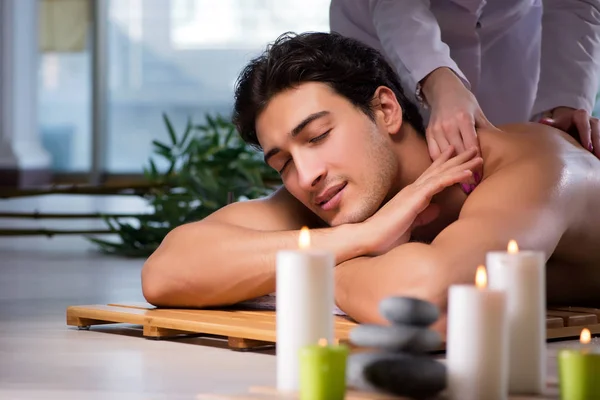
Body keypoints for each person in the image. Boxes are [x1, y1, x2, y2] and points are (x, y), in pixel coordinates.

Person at [141, 32, 600, 333]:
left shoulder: (531, 165)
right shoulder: (335, 194)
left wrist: (312, 262)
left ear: (386, 109)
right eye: (281, 163)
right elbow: (167, 271)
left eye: (318, 136)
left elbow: (425, 294)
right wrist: (360, 237)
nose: (305, 174)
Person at [329, 0, 600, 191]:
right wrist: (438, 82)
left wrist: (567, 101)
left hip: (509, 31)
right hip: (380, 27)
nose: (307, 176)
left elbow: (575, 4)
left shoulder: (539, 184)